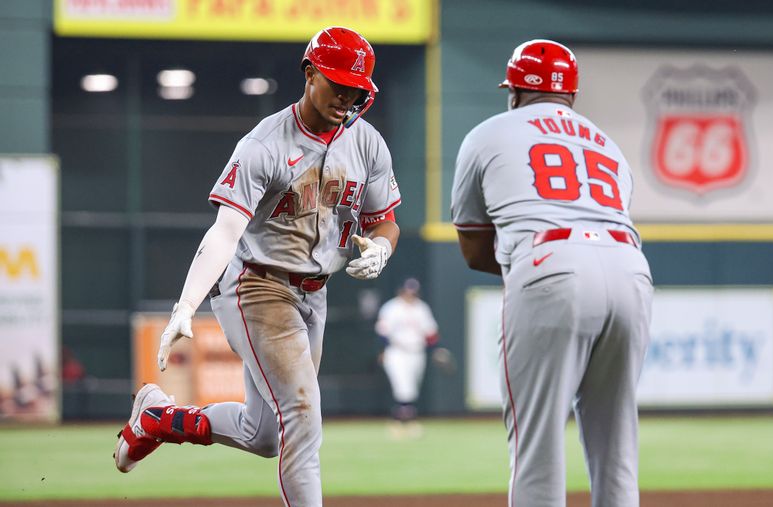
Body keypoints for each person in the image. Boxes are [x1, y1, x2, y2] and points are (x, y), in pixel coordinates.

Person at [113, 26, 401, 507]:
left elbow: (384, 220)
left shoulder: (367, 143)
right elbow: (225, 232)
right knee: (303, 417)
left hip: (315, 293)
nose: (346, 96)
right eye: (336, 83)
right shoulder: (264, 144)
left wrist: (383, 249)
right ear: (309, 74)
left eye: (356, 89)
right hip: (258, 286)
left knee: (265, 434)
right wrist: (186, 304)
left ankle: (158, 419)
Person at [450, 39, 653, 507]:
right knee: (617, 449)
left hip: (550, 261)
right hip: (631, 268)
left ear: (515, 92)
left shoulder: (488, 133)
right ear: (572, 97)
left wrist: (529, 275)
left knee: (536, 448)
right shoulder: (609, 145)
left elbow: (473, 247)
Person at [375, 278, 438, 437]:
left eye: (413, 292)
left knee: (412, 387)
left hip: (417, 351)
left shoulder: (422, 308)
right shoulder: (392, 307)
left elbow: (431, 333)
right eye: (407, 291)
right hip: (397, 351)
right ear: (401, 291)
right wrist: (383, 350)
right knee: (402, 386)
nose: (410, 294)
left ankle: (402, 421)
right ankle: (402, 422)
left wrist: (435, 350)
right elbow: (383, 332)